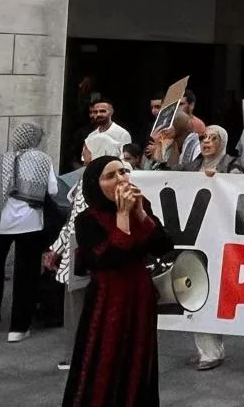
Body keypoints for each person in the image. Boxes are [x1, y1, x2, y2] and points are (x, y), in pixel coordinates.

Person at [62, 156, 172, 407]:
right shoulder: (87, 219)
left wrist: (141, 214)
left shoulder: (141, 207)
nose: (121, 179)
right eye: (111, 176)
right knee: (103, 356)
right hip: (107, 298)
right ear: (96, 184)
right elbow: (107, 258)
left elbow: (164, 245)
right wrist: (123, 216)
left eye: (123, 172)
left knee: (138, 355)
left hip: (139, 294)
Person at [0, 122, 57, 342]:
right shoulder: (42, 159)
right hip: (29, 223)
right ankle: (18, 327)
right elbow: (53, 190)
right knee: (26, 274)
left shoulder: (0, 160)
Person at [189, 126, 241, 371]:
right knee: (197, 290)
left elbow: (242, 191)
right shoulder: (192, 165)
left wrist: (221, 180)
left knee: (213, 292)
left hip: (221, 238)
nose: (206, 142)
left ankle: (212, 350)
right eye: (203, 138)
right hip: (196, 237)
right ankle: (205, 349)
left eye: (213, 138)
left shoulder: (232, 165)